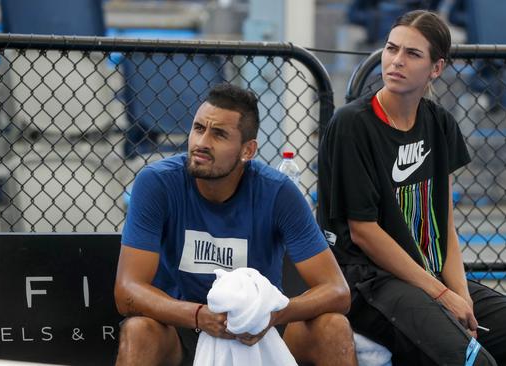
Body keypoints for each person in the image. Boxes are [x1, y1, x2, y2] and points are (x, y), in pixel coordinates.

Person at [317, 10, 506, 365]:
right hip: (371, 282)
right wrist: (442, 294)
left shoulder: (439, 123)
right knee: (473, 362)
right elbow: (364, 233)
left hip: (428, 277)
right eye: (392, 50)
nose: (396, 61)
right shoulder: (352, 124)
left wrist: (461, 294)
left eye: (412, 54)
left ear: (436, 68)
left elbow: (445, 225)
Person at [114, 83, 356, 366]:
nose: (202, 142)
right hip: (183, 329)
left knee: (333, 327)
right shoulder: (156, 183)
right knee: (139, 331)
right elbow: (127, 290)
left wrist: (272, 314)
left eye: (219, 134)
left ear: (247, 150)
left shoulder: (277, 191)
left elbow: (337, 291)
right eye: (198, 128)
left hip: (259, 333)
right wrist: (198, 316)